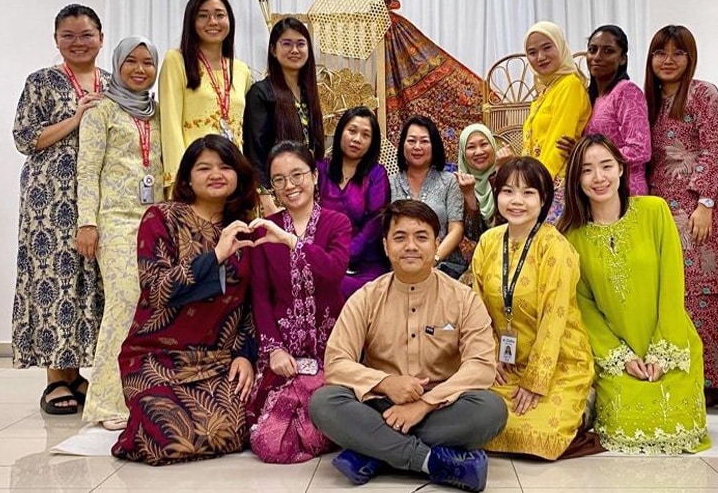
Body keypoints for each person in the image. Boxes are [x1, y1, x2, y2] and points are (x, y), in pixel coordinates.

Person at [309, 200, 507, 493]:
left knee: (491, 410)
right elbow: (337, 362)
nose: (411, 246)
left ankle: (373, 451)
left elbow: (480, 366)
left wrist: (425, 404)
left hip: (441, 405)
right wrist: (386, 382)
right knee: (324, 403)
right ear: (386, 246)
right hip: (380, 404)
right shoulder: (367, 297)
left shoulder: (463, 298)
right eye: (400, 237)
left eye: (421, 237)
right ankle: (429, 461)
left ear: (436, 244)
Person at [112, 135, 259, 465]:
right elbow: (158, 289)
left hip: (218, 361)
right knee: (168, 437)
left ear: (239, 175)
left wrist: (244, 355)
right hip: (157, 357)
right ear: (187, 178)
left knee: (237, 431)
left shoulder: (246, 231)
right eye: (203, 167)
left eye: (225, 166)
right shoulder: (160, 218)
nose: (215, 174)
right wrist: (217, 255)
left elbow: (251, 305)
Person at [558, 135, 710, 454]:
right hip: (616, 357)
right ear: (576, 179)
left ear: (622, 170)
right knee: (628, 429)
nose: (598, 178)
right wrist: (621, 357)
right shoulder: (571, 237)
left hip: (671, 345)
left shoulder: (654, 212)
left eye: (606, 166)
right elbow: (583, 307)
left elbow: (672, 286)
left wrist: (661, 352)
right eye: (587, 170)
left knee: (673, 427)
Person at [12, 4, 109, 415]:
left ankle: (76, 373)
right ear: (56, 41)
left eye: (86, 34)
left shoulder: (112, 82)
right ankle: (55, 377)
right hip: (49, 200)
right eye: (68, 35)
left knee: (89, 280)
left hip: (99, 195)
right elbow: (25, 138)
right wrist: (76, 118)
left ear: (101, 38)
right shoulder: (40, 82)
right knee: (55, 278)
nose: (78, 42)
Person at [470, 156, 599, 460]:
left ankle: (584, 406)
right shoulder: (488, 242)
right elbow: (475, 310)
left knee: (538, 434)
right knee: (466, 415)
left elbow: (555, 320)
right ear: (496, 194)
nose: (517, 201)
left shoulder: (555, 248)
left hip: (558, 365)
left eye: (528, 193)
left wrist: (535, 382)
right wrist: (490, 357)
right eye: (508, 191)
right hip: (503, 366)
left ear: (543, 200)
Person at [76, 36, 164, 430]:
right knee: (124, 302)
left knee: (152, 308)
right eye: (131, 61)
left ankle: (142, 394)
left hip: (156, 221)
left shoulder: (158, 113)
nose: (140, 69)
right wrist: (87, 223)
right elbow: (87, 170)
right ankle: (107, 403)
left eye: (148, 62)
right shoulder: (102, 111)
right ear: (117, 65)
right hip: (115, 221)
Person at [644, 25, 718, 403]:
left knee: (706, 294)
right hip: (663, 207)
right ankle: (683, 372)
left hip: (700, 211)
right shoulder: (650, 100)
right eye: (660, 53)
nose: (668, 60)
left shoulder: (701, 93)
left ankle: (715, 383)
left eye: (677, 53)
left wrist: (705, 203)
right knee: (673, 293)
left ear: (690, 58)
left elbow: (716, 149)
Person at [246, 140, 351, 463]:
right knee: (268, 442)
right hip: (283, 356)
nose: (289, 186)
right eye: (279, 179)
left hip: (330, 351)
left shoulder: (337, 223)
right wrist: (273, 348)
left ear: (314, 176)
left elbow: (334, 271)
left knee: (324, 419)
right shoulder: (265, 230)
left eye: (297, 175)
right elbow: (261, 296)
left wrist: (293, 242)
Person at [159, 0, 253, 190]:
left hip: (232, 175)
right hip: (195, 176)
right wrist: (178, 180)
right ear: (191, 22)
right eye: (203, 16)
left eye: (220, 15)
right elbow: (170, 123)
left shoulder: (241, 69)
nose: (212, 22)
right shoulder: (176, 60)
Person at [244, 17, 325, 215]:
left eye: (300, 44)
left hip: (304, 192)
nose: (295, 50)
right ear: (273, 50)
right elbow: (255, 151)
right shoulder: (261, 92)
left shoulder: (309, 93)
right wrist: (266, 200)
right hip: (276, 194)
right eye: (287, 44)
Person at [317, 107, 390, 298]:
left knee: (351, 291)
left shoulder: (376, 174)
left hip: (366, 263)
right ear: (341, 131)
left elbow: (376, 222)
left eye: (365, 135)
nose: (357, 139)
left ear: (372, 143)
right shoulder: (320, 170)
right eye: (352, 131)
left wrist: (346, 254)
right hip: (323, 255)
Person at [522, 21, 591, 221]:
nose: (540, 57)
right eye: (532, 52)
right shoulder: (546, 89)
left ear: (560, 46)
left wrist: (537, 186)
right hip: (539, 184)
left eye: (547, 47)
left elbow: (559, 143)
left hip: (556, 186)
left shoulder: (569, 85)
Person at [390, 115, 466, 278]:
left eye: (424, 141)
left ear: (434, 146)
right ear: (403, 145)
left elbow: (456, 229)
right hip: (400, 266)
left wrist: (433, 260)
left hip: (444, 266)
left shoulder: (449, 181)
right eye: (411, 141)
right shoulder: (389, 183)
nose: (417, 147)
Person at [583, 25, 651, 195]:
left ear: (622, 59)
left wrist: (589, 157)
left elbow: (640, 150)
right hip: (599, 191)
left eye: (608, 51)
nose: (597, 57)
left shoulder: (626, 91)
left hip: (627, 192)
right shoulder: (590, 97)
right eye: (592, 50)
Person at [455, 123, 507, 242]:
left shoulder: (511, 174)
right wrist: (469, 195)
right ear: (463, 153)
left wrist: (501, 174)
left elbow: (509, 223)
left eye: (484, 144)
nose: (479, 152)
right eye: (471, 147)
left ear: (493, 146)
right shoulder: (458, 183)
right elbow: (472, 236)